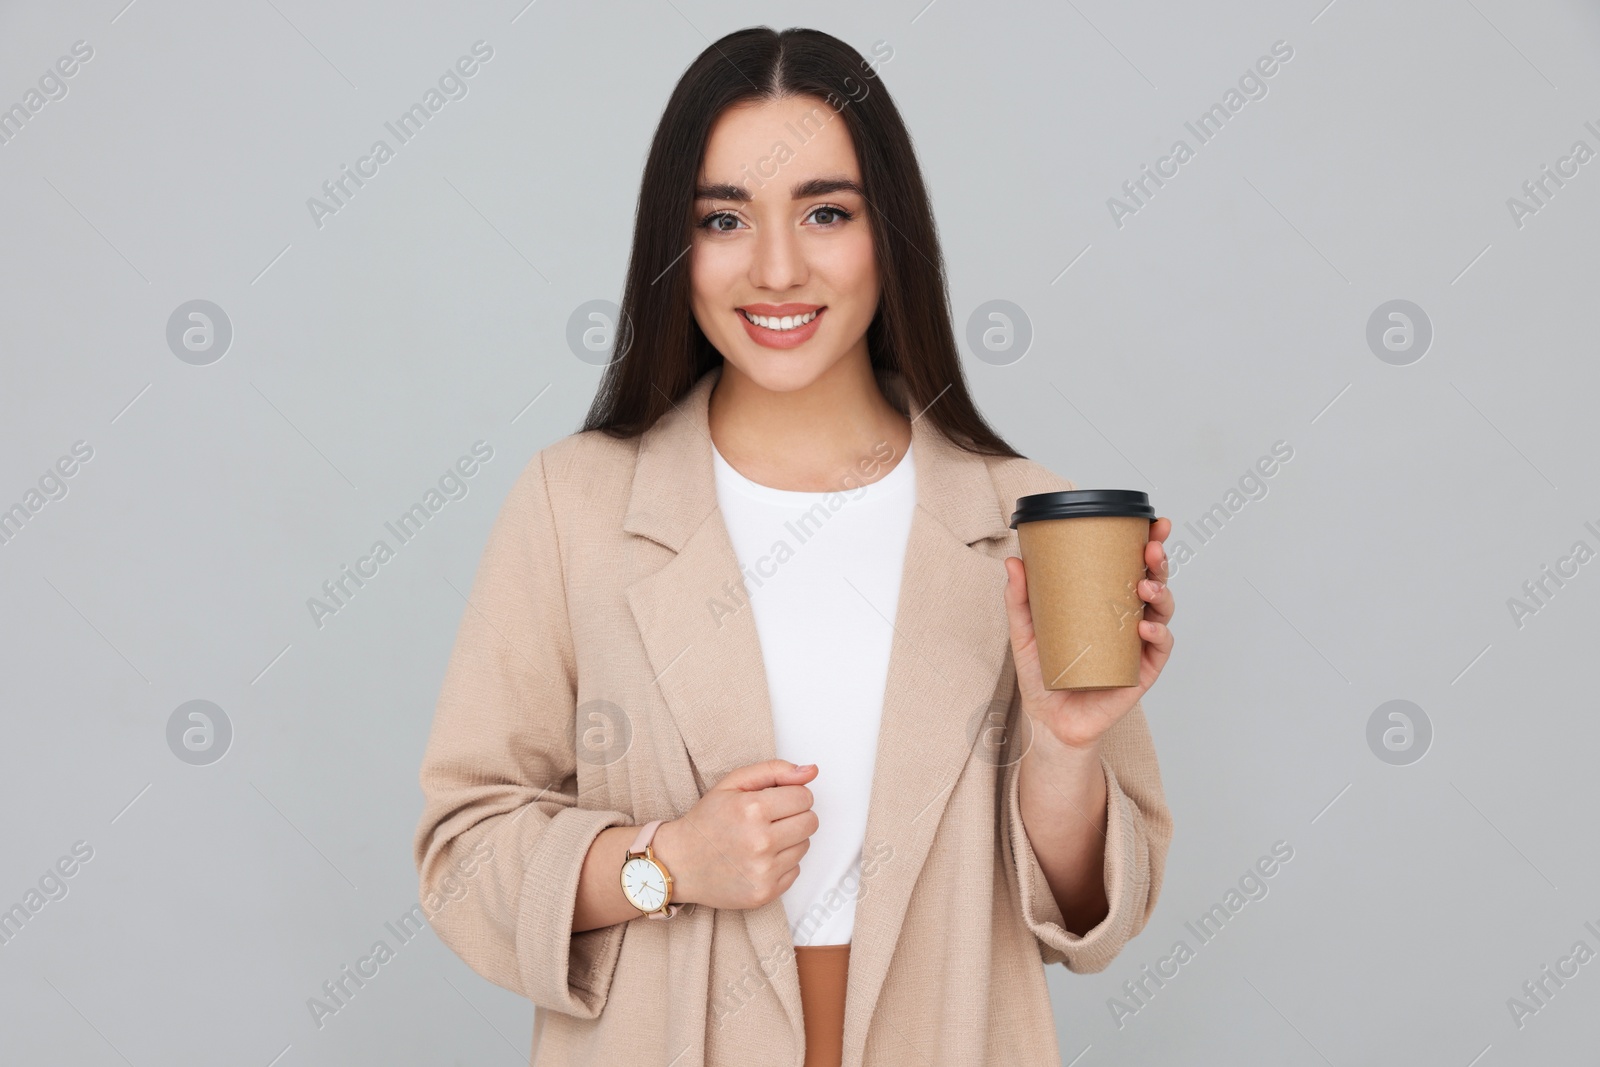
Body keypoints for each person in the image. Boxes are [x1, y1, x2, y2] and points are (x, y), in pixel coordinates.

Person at [413, 25, 1175, 1067]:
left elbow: (1096, 917)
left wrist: (1063, 746)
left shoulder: (1023, 517)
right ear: (674, 249)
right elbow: (461, 853)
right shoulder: (573, 504)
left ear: (888, 234)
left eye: (825, 212)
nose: (776, 268)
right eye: (724, 218)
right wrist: (665, 861)